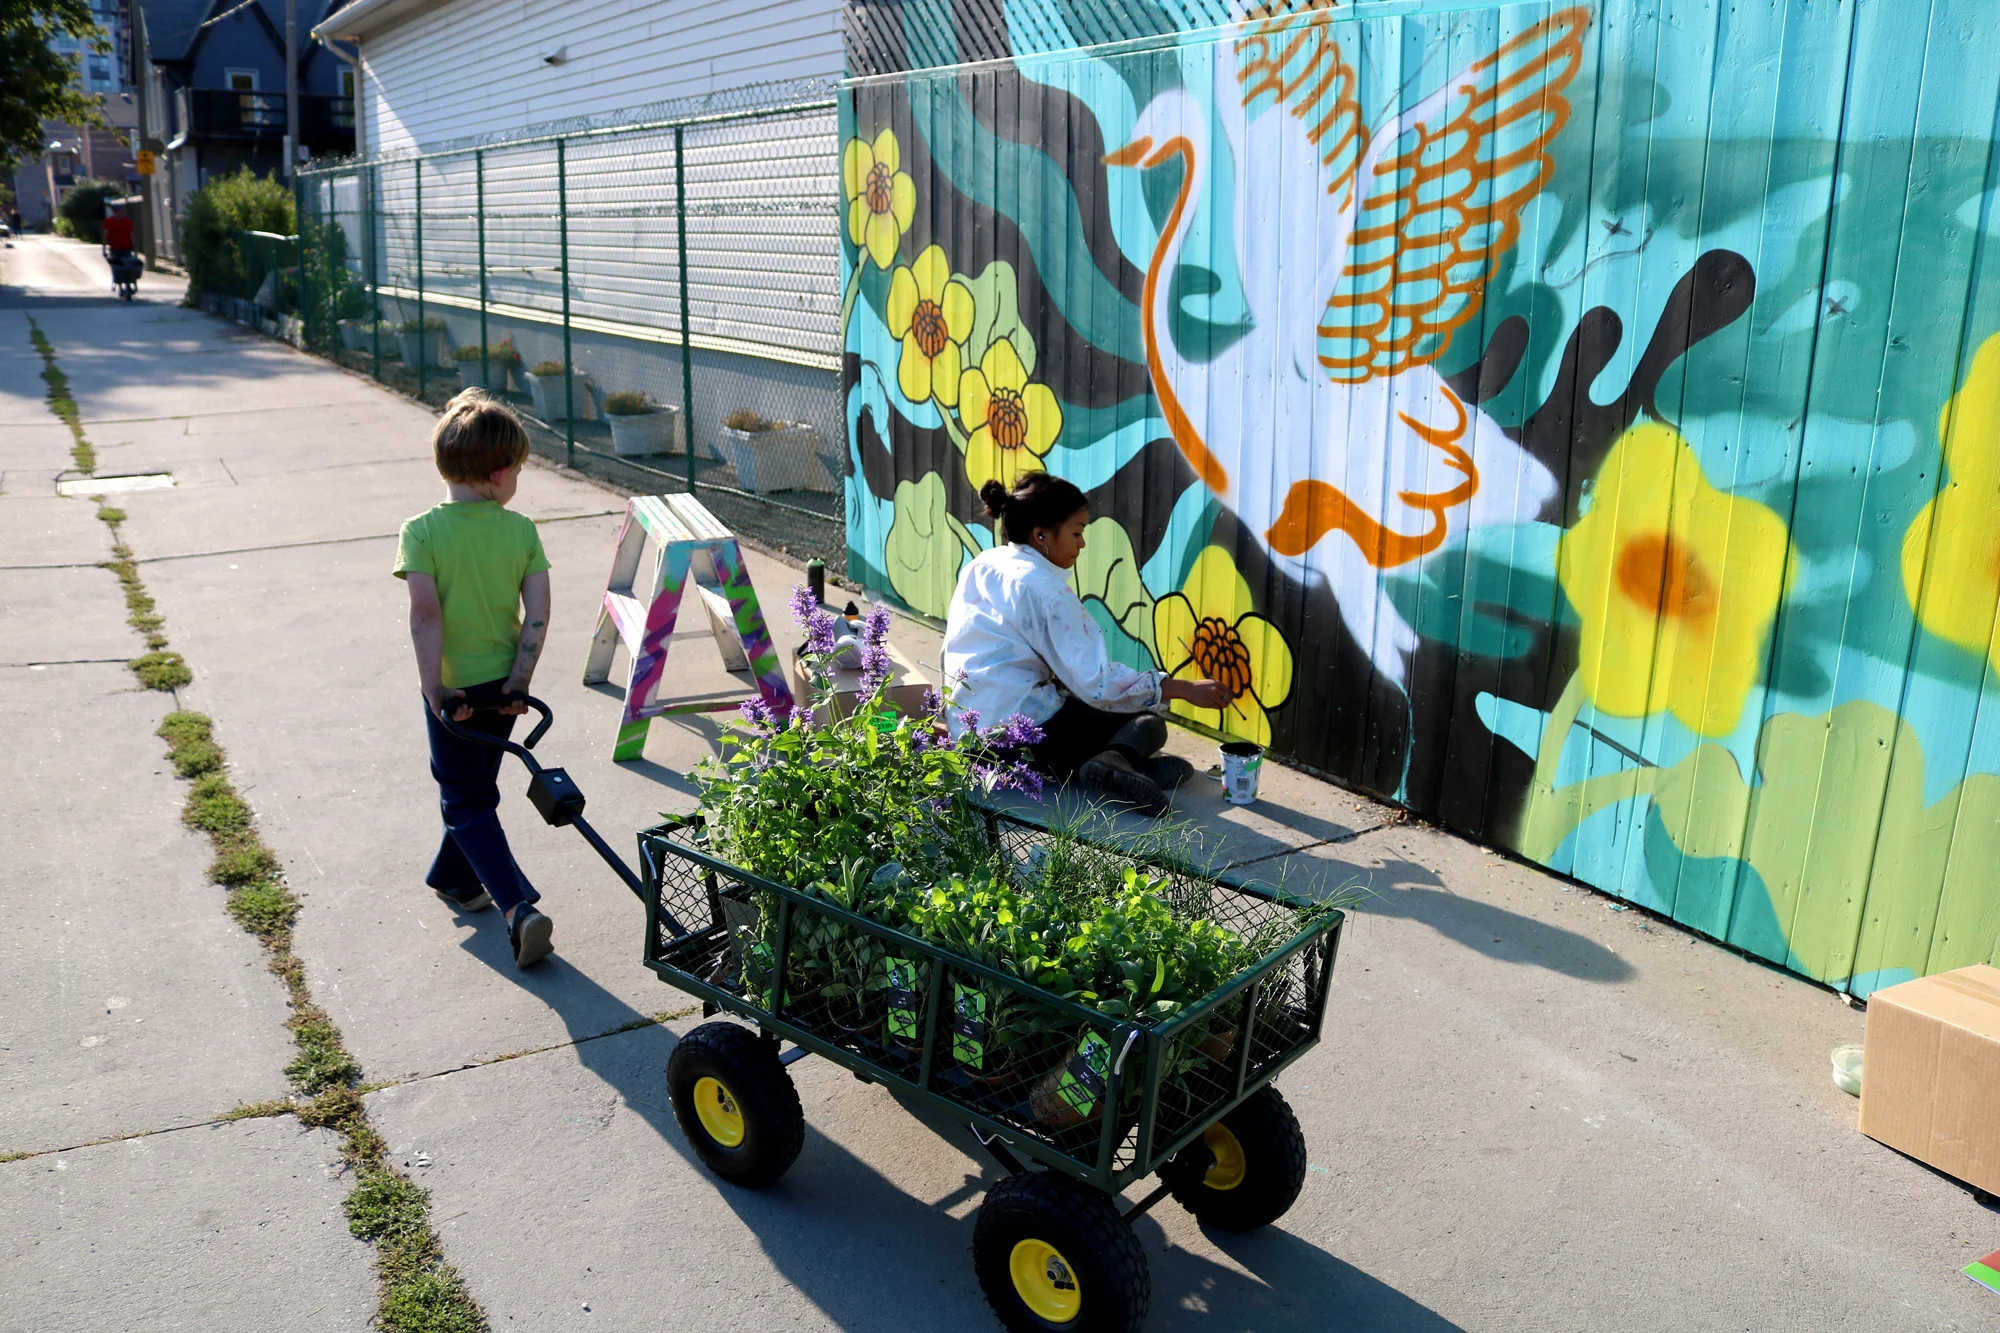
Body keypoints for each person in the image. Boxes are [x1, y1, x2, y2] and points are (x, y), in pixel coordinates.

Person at [942, 473, 1233, 815]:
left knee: (1100, 713)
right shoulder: (1046, 591)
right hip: (1026, 742)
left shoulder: (984, 563)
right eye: (1077, 532)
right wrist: (1182, 688)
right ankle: (1113, 761)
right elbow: (1097, 684)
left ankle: (1113, 765)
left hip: (970, 738)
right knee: (1146, 722)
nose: (1082, 544)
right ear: (1041, 536)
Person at [393, 389, 556, 968]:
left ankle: (518, 909)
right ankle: (455, 880)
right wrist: (519, 681)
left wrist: (433, 688)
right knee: (475, 793)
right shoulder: (520, 532)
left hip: (455, 691)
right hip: (501, 690)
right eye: (519, 469)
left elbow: (425, 613)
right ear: (497, 472)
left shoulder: (421, 532)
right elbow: (537, 611)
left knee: (463, 800)